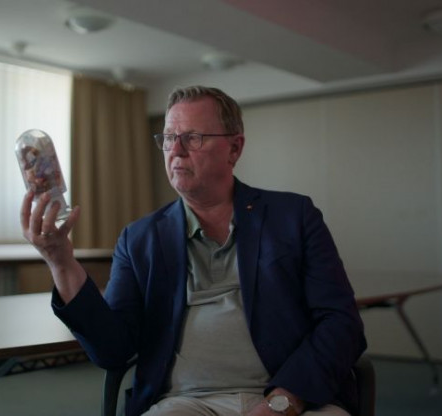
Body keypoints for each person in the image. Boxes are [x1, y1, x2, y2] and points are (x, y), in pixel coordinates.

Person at [21, 86, 366, 416]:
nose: (176, 149)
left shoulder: (293, 217)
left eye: (193, 137)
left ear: (234, 148)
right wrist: (61, 262)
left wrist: (283, 401)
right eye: (169, 137)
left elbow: (341, 323)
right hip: (182, 403)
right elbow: (113, 350)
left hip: (291, 399)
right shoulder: (139, 239)